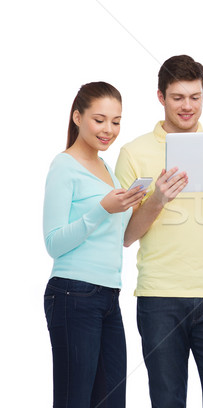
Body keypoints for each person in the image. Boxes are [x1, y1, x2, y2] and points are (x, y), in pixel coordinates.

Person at [114, 55, 203, 408]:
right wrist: (157, 199)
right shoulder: (134, 152)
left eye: (195, 97)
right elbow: (125, 236)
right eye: (178, 97)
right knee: (166, 400)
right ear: (161, 97)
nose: (187, 106)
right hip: (159, 298)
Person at [43, 81, 146, 407]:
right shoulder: (64, 165)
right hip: (73, 294)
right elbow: (53, 243)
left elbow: (125, 237)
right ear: (77, 116)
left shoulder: (108, 170)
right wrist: (102, 208)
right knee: (75, 400)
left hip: (107, 296)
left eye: (116, 121)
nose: (109, 129)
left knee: (112, 400)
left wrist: (153, 201)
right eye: (99, 119)